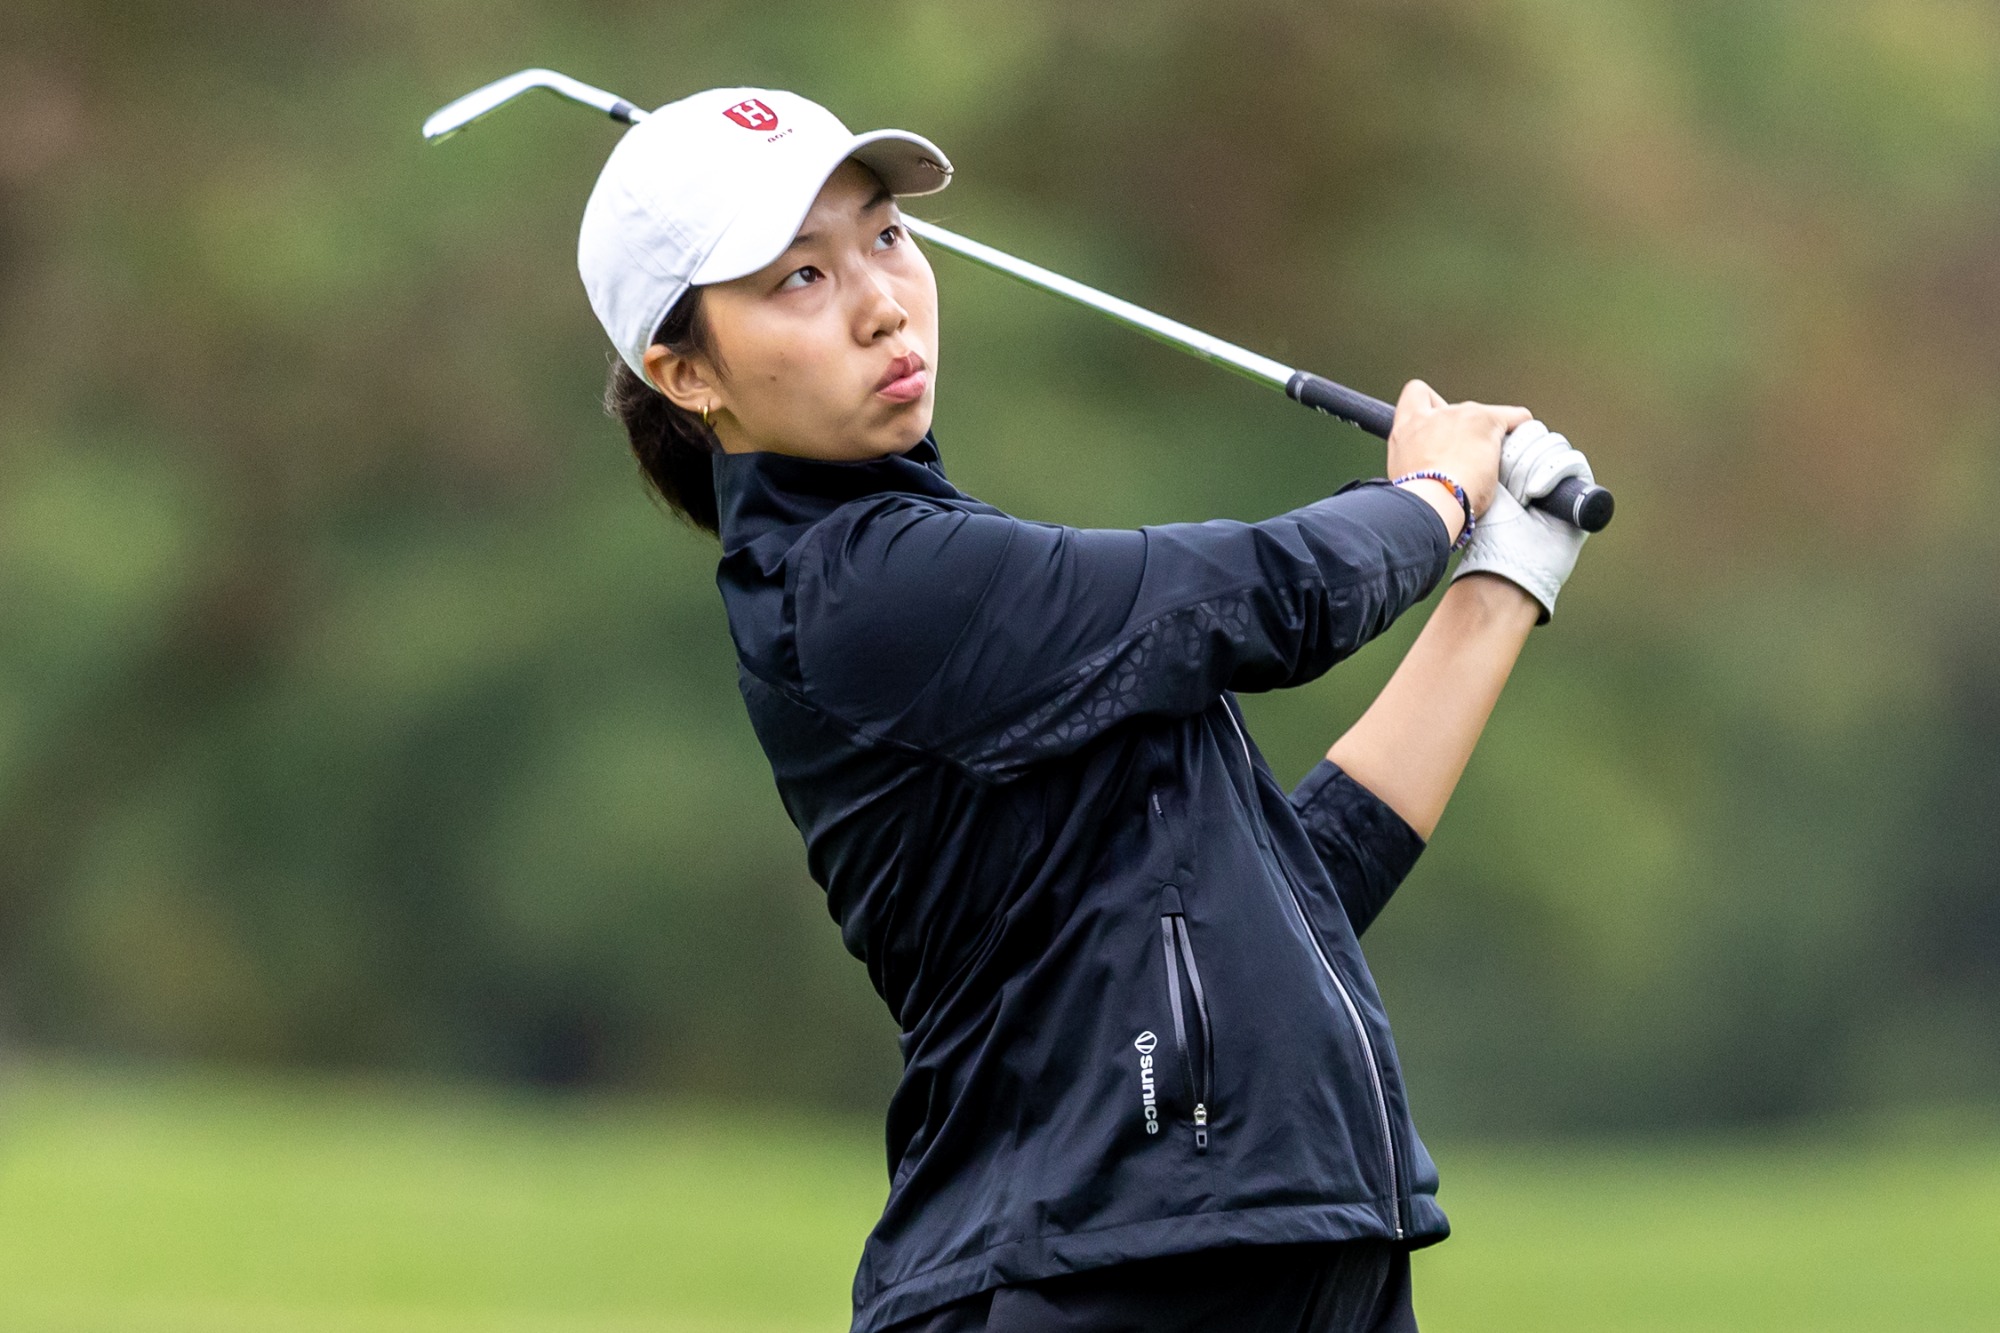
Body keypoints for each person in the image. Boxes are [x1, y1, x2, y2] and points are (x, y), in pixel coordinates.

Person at [577, 87, 1593, 1333]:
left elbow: (1286, 893)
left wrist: (1502, 580)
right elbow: (1253, 601)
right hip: (1083, 1274)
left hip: (1268, 1254)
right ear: (683, 373)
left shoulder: (952, 586)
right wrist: (1435, 492)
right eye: (796, 277)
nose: (881, 301)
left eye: (886, 235)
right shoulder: (851, 590)